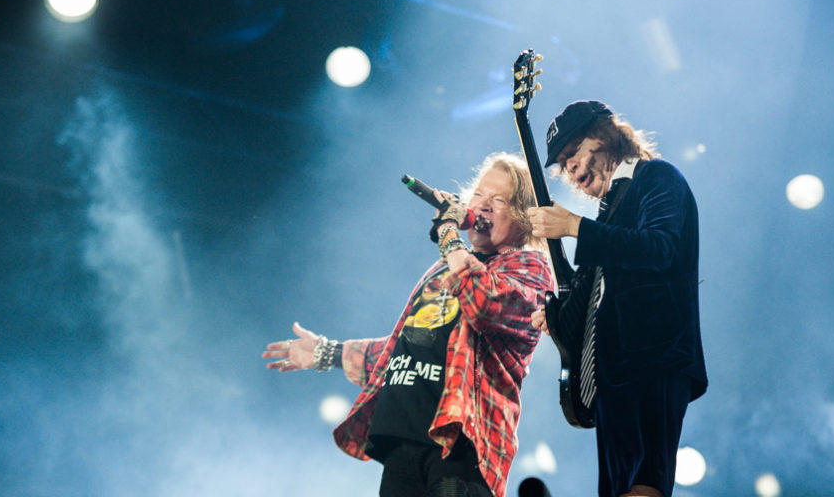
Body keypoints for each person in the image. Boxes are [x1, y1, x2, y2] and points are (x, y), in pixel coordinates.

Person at [262, 152, 553, 497]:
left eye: (499, 200)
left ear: (522, 218)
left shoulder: (529, 269)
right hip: (404, 441)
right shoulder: (443, 268)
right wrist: (329, 352)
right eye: (479, 195)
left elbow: (484, 303)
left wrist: (448, 232)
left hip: (461, 447)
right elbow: (405, 348)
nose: (484, 205)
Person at [527, 101, 707, 497]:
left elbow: (660, 247)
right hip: (612, 374)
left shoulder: (657, 177)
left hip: (654, 359)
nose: (571, 168)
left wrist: (574, 225)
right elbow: (599, 299)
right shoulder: (608, 214)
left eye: (574, 151)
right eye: (564, 164)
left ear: (605, 135)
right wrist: (556, 318)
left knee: (644, 484)